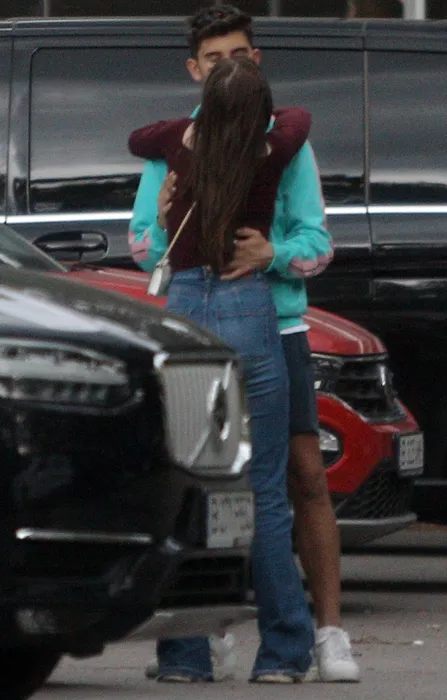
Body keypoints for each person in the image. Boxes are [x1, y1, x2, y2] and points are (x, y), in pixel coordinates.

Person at [128, 4, 360, 684]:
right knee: (264, 492)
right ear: (194, 68)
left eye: (237, 55)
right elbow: (141, 241)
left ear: (252, 59)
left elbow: (315, 243)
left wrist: (273, 253)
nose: (227, 67)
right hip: (253, 314)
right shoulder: (278, 142)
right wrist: (174, 226)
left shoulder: (175, 143)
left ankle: (190, 651)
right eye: (215, 57)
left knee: (201, 484)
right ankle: (281, 648)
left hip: (216, 315)